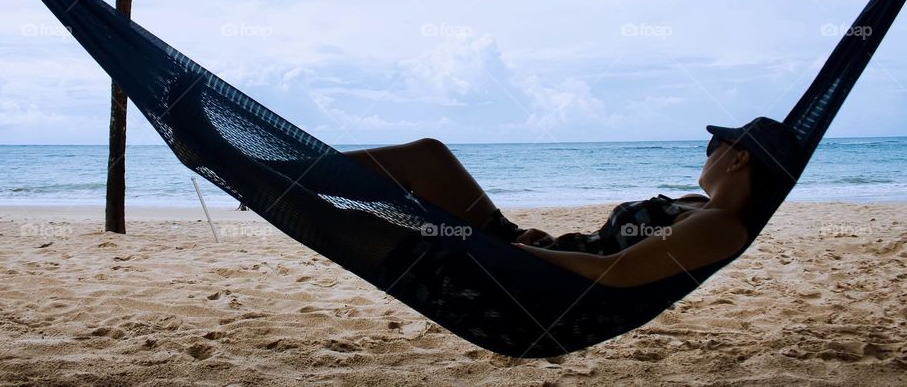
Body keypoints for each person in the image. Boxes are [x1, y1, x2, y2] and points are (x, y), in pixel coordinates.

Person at [343, 117, 802, 288]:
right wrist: (550, 242)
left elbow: (615, 273)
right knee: (429, 155)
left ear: (739, 158)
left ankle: (277, 175)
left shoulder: (722, 224)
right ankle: (279, 169)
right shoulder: (694, 205)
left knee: (362, 222)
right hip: (534, 255)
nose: (708, 154)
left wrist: (530, 253)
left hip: (527, 279)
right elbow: (604, 251)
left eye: (715, 147)